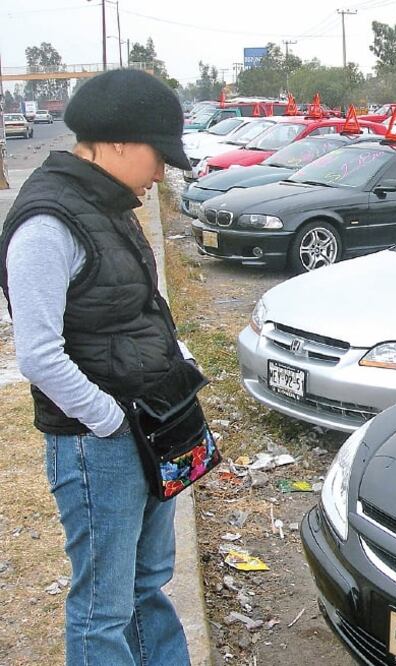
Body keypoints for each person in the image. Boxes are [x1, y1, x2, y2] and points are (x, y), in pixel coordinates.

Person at [0, 70, 194, 665]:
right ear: (115, 143)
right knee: (102, 610)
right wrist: (110, 420)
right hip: (99, 445)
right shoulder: (47, 223)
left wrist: (178, 368)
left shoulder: (108, 203)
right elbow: (37, 352)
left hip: (151, 427)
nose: (161, 172)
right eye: (157, 155)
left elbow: (135, 311)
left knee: (148, 582)